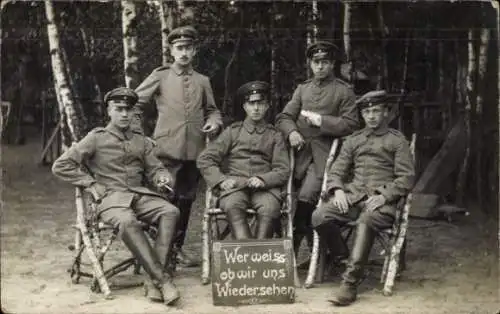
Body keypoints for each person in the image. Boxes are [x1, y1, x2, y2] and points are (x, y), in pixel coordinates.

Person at [52, 87, 180, 306]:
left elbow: (155, 168)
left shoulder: (140, 140)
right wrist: (90, 183)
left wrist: (162, 178)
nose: (124, 114)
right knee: (127, 221)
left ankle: (152, 280)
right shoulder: (96, 138)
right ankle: (163, 280)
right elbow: (61, 165)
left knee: (171, 211)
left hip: (139, 196)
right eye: (118, 109)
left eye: (128, 110)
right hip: (111, 200)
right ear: (109, 111)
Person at [311, 90, 415, 306]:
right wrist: (337, 190)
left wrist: (385, 196)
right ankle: (345, 259)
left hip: (380, 204)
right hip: (353, 197)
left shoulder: (396, 141)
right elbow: (337, 170)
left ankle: (349, 285)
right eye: (367, 112)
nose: (371, 116)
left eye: (376, 111)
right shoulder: (354, 140)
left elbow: (406, 178)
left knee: (366, 221)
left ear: (386, 112)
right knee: (320, 216)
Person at [134, 25, 223, 267]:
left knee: (186, 201)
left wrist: (214, 122)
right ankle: (159, 252)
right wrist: (138, 134)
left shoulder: (202, 81)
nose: (184, 52)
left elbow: (212, 110)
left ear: (194, 51)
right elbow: (133, 102)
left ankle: (176, 249)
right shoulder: (161, 76)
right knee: (165, 200)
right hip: (165, 150)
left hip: (194, 152)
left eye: (188, 48)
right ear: (172, 51)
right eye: (179, 48)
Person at [275, 40, 359, 263]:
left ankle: (292, 253)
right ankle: (318, 252)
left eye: (325, 62)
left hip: (327, 157)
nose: (320, 67)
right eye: (316, 62)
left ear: (332, 64)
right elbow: (284, 117)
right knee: (285, 200)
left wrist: (323, 121)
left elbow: (351, 124)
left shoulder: (343, 91)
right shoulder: (303, 89)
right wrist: (292, 132)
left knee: (306, 199)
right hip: (298, 156)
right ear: (310, 64)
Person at [197, 81, 290, 239]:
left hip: (265, 190)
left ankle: (260, 255)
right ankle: (244, 253)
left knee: (269, 208)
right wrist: (220, 180)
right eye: (251, 103)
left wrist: (263, 179)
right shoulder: (232, 132)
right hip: (235, 188)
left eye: (260, 103)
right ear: (244, 107)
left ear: (267, 106)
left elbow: (282, 169)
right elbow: (205, 159)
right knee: (233, 205)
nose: (255, 108)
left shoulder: (275, 135)